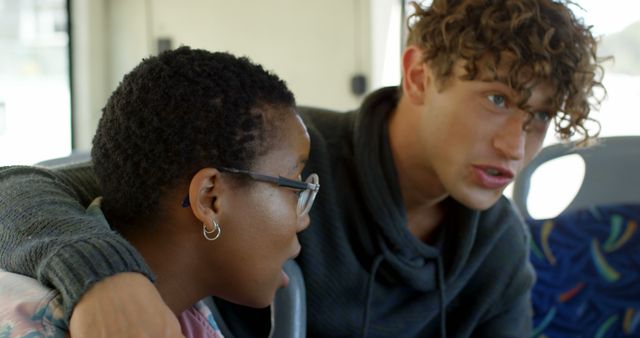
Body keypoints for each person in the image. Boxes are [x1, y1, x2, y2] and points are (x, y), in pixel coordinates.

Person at [0, 0, 604, 337]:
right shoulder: (279, 153)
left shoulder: (497, 249)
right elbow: (26, 187)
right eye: (497, 99)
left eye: (538, 117)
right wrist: (106, 276)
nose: (515, 145)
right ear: (420, 75)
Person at [0, 46, 319, 337]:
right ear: (210, 199)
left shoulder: (185, 315)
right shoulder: (42, 326)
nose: (304, 220)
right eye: (296, 186)